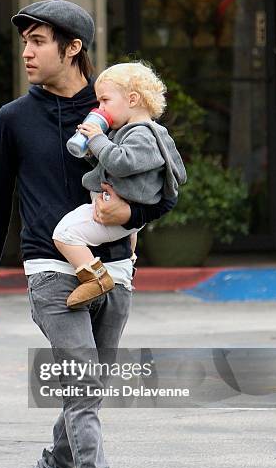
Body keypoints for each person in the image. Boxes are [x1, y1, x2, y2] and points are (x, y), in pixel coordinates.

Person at [0, 0, 178, 468]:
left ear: (73, 47)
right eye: (25, 43)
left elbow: (163, 186)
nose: (28, 53)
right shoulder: (13, 119)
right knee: (82, 377)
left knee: (87, 387)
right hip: (50, 267)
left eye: (39, 42)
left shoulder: (117, 110)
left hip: (116, 269)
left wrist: (135, 214)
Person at [53, 61, 186, 309]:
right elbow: (115, 160)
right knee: (128, 235)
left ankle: (94, 279)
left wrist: (97, 139)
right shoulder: (136, 131)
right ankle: (129, 262)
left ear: (133, 99)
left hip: (116, 212)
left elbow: (121, 163)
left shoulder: (142, 134)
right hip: (129, 216)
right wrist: (93, 147)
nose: (100, 108)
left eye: (105, 101)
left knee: (64, 234)